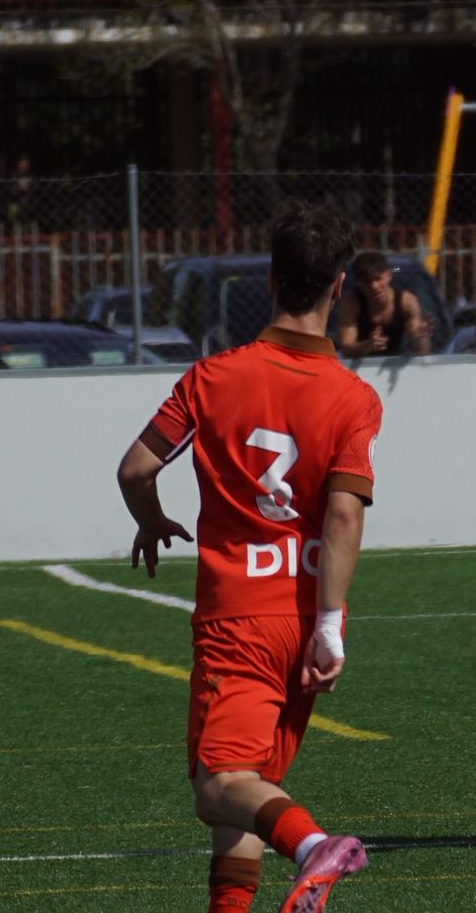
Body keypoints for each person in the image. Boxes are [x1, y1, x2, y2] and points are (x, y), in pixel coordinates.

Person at [117, 204, 381, 913]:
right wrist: (330, 626)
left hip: (238, 619)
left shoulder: (210, 379)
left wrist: (150, 522)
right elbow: (345, 511)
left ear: (269, 281)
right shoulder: (354, 397)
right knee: (243, 796)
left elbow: (136, 469)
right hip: (305, 619)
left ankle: (313, 845)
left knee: (215, 787)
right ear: (339, 286)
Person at [334, 251, 432, 357]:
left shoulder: (407, 301)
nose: (374, 286)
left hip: (394, 363)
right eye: (367, 281)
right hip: (361, 365)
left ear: (388, 275)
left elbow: (422, 351)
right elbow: (346, 349)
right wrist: (368, 345)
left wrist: (419, 338)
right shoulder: (352, 303)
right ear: (359, 283)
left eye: (377, 279)